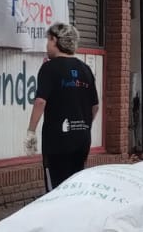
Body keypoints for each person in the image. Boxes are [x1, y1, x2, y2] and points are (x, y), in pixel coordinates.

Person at [25, 22, 100, 190]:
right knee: (74, 186)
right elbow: (95, 106)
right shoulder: (85, 69)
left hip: (58, 140)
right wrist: (84, 126)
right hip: (81, 139)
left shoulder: (49, 68)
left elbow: (40, 101)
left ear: (55, 40)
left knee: (56, 190)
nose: (47, 45)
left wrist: (31, 131)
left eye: (48, 41)